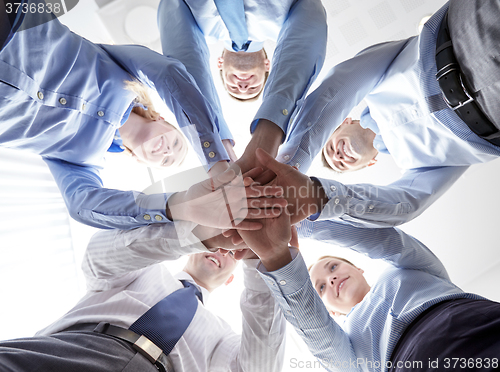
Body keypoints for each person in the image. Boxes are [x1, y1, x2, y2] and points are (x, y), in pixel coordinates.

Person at [0, 0, 285, 230]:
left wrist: (181, 206)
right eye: (175, 143)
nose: (165, 151)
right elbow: (169, 73)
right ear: (163, 119)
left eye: (165, 160)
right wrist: (216, 160)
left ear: (142, 160)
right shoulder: (125, 73)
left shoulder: (81, 161)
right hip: (16, 23)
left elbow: (82, 205)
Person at [267, 0, 500, 227]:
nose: (337, 157)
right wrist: (316, 195)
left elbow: (337, 87)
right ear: (370, 164)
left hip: (467, 30)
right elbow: (406, 205)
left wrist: (291, 163)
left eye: (330, 149)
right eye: (340, 166)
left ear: (343, 122)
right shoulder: (418, 167)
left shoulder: (374, 85)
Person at [0, 222, 287, 372]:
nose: (222, 251)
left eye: (230, 254)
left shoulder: (225, 336)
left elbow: (260, 366)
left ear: (231, 280)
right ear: (191, 251)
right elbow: (99, 257)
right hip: (78, 348)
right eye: (221, 246)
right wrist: (204, 233)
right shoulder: (147, 268)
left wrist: (260, 260)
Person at [239, 209, 500, 371]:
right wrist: (279, 258)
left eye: (332, 267)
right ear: (329, 309)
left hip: (479, 323)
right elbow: (317, 332)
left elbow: (388, 241)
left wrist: (300, 222)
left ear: (359, 269)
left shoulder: (405, 269)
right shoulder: (347, 338)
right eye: (320, 287)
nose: (331, 279)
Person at [158, 0, 327, 172]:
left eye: (234, 88)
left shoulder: (196, 23)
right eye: (254, 88)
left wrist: (215, 140)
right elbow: (311, 15)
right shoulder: (289, 17)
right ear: (268, 65)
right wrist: (270, 127)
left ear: (220, 65)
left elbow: (181, 53)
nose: (244, 87)